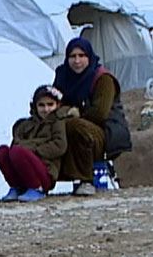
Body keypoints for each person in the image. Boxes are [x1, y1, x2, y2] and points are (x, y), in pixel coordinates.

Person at [53, 37, 132, 196]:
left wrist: (76, 113)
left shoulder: (103, 79)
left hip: (104, 132)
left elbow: (100, 113)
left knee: (74, 126)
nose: (77, 61)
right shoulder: (63, 76)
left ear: (89, 57)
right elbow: (55, 104)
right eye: (72, 56)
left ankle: (86, 179)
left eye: (81, 56)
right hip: (73, 126)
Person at [0, 85, 67, 202]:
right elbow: (15, 143)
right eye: (41, 105)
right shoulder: (25, 125)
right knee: (2, 152)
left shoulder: (57, 123)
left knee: (19, 152)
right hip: (24, 166)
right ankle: (17, 187)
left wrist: (33, 150)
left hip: (45, 171)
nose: (46, 109)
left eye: (50, 105)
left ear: (57, 105)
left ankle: (37, 188)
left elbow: (59, 146)